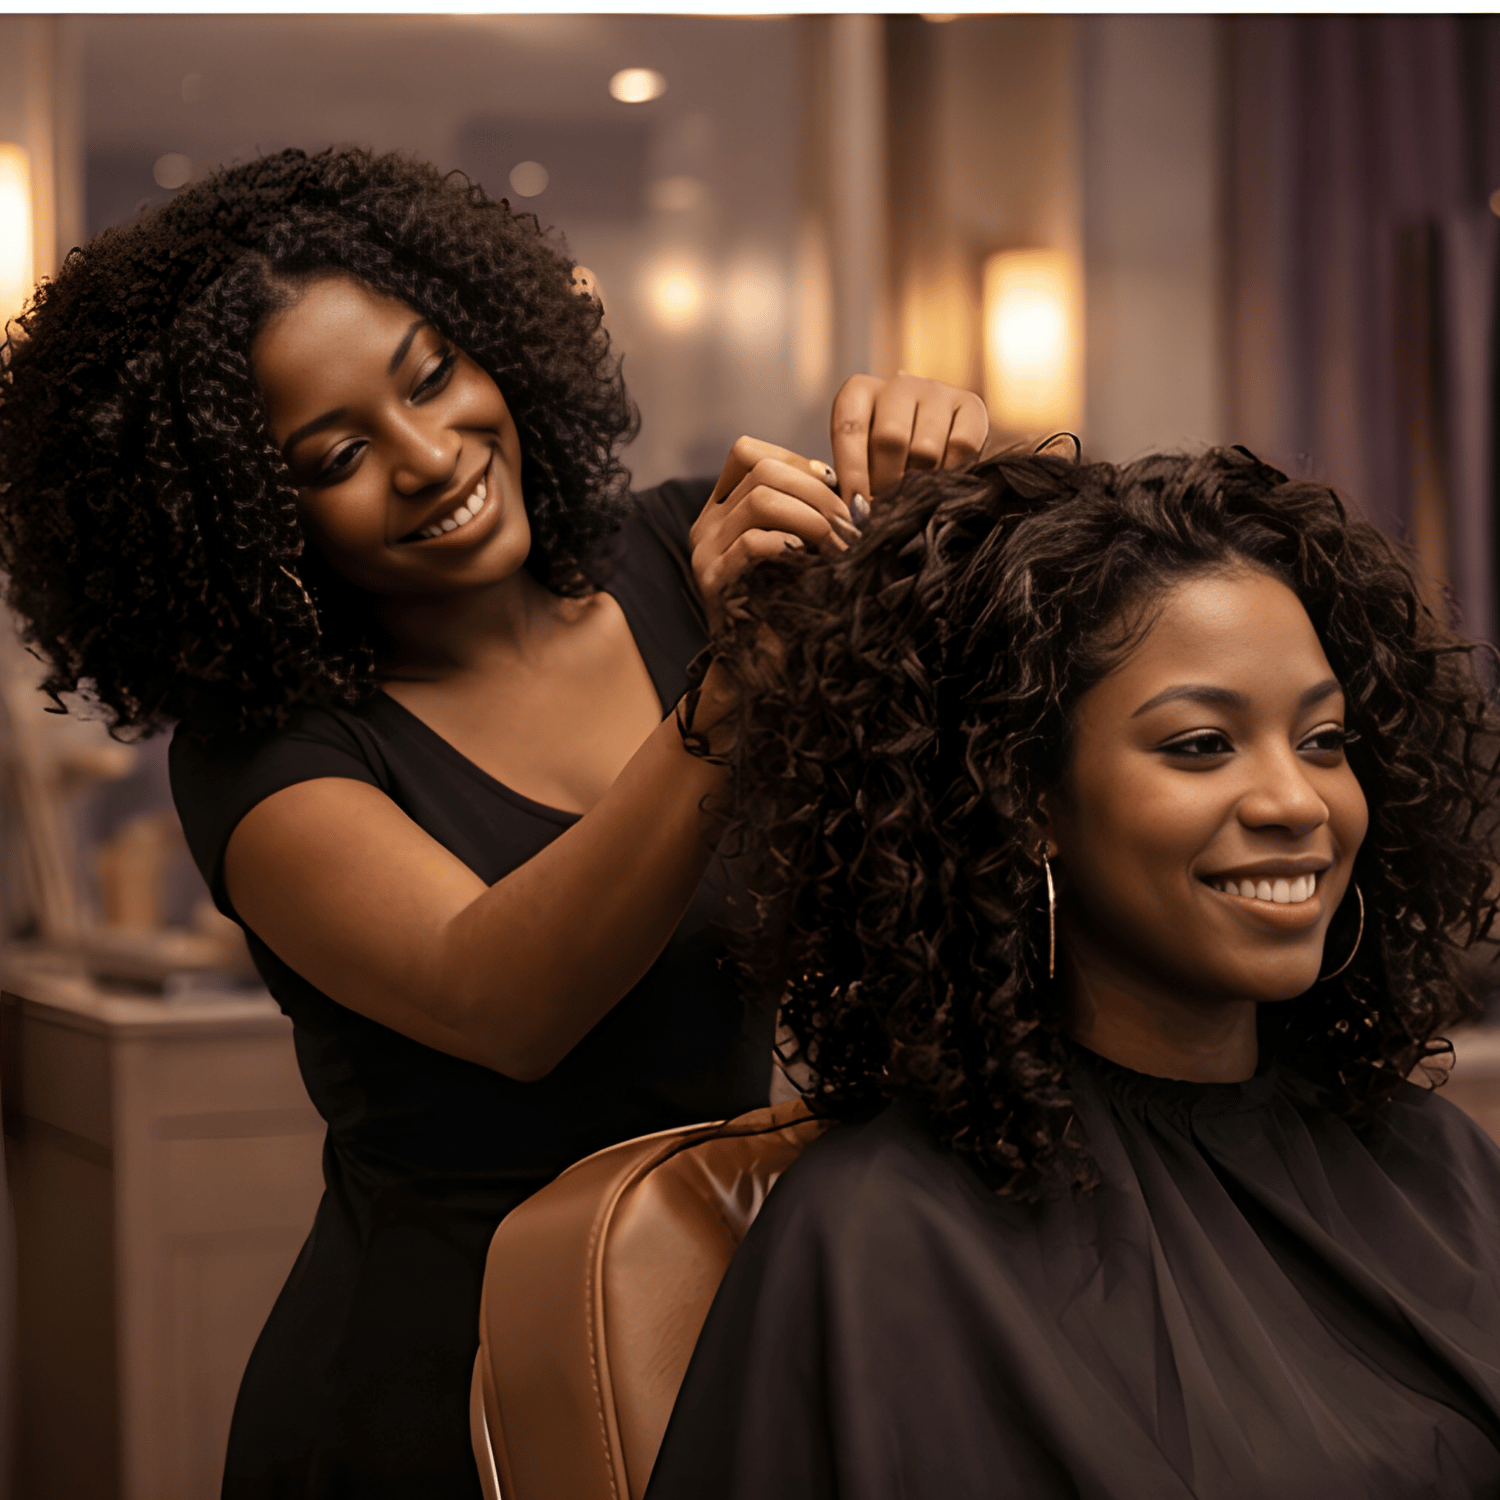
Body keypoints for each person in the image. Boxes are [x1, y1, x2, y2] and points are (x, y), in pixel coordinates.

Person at [0, 145, 987, 1498]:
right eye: (337, 452)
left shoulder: (683, 555)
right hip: (430, 1393)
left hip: (710, 1319)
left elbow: (996, 757)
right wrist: (734, 691)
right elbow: (508, 996)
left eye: (431, 374)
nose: (429, 456)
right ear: (243, 519)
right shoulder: (271, 755)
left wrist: (958, 488)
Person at [645, 446, 1500, 1500]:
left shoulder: (1438, 1168)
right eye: (1199, 745)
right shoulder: (885, 1242)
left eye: (1324, 740)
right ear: (1027, 801)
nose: (1299, 802)